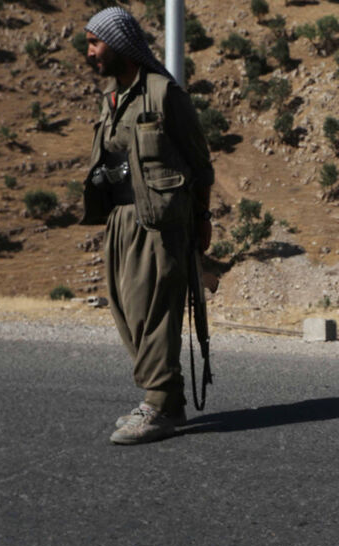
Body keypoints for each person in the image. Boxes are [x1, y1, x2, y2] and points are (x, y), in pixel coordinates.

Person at [80, 7, 215, 445]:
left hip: (159, 223)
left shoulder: (162, 94)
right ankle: (167, 399)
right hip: (120, 220)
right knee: (127, 312)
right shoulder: (111, 100)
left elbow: (199, 161)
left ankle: (158, 405)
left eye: (95, 42)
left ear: (119, 45)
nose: (90, 52)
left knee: (154, 312)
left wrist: (202, 218)